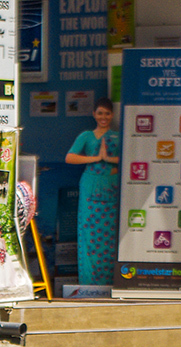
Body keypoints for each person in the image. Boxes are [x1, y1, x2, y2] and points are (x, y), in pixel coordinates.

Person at [65, 97, 121, 287]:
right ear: (93, 114)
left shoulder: (118, 136)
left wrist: (110, 160)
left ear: (112, 115)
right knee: (89, 233)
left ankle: (110, 282)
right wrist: (97, 158)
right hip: (91, 186)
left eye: (107, 113)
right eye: (100, 113)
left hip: (111, 186)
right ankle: (89, 283)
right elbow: (70, 158)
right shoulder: (87, 136)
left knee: (110, 234)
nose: (103, 117)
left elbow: (129, 159)